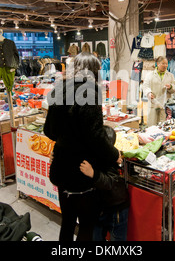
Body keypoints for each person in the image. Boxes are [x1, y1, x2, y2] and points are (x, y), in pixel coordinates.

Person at [44, 52, 120, 241]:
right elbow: (96, 137)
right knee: (86, 227)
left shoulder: (59, 89)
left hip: (61, 169)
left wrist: (66, 139)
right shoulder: (90, 92)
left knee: (67, 223)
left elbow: (49, 131)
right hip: (83, 172)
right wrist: (114, 154)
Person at [79, 125, 129, 241]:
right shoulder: (89, 155)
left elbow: (109, 182)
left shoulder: (112, 158)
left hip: (116, 207)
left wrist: (93, 174)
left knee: (117, 239)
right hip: (97, 208)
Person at [143, 56, 175, 126]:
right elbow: (145, 86)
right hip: (153, 103)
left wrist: (170, 87)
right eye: (163, 63)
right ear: (158, 64)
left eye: (166, 64)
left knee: (164, 125)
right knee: (152, 126)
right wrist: (149, 93)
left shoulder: (170, 75)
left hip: (165, 105)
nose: (165, 66)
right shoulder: (150, 75)